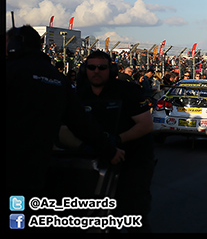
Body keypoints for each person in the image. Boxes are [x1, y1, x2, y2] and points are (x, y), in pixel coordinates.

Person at [6, 26, 124, 200]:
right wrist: (109, 149)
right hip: (35, 171)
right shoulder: (57, 79)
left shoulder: (11, 71)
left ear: (14, 45)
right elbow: (81, 122)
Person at [75, 50, 155, 232]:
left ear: (110, 70)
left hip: (133, 161)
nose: (96, 71)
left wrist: (115, 140)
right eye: (91, 67)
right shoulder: (80, 94)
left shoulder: (128, 90)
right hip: (97, 161)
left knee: (133, 214)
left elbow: (146, 125)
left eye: (102, 68)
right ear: (84, 70)